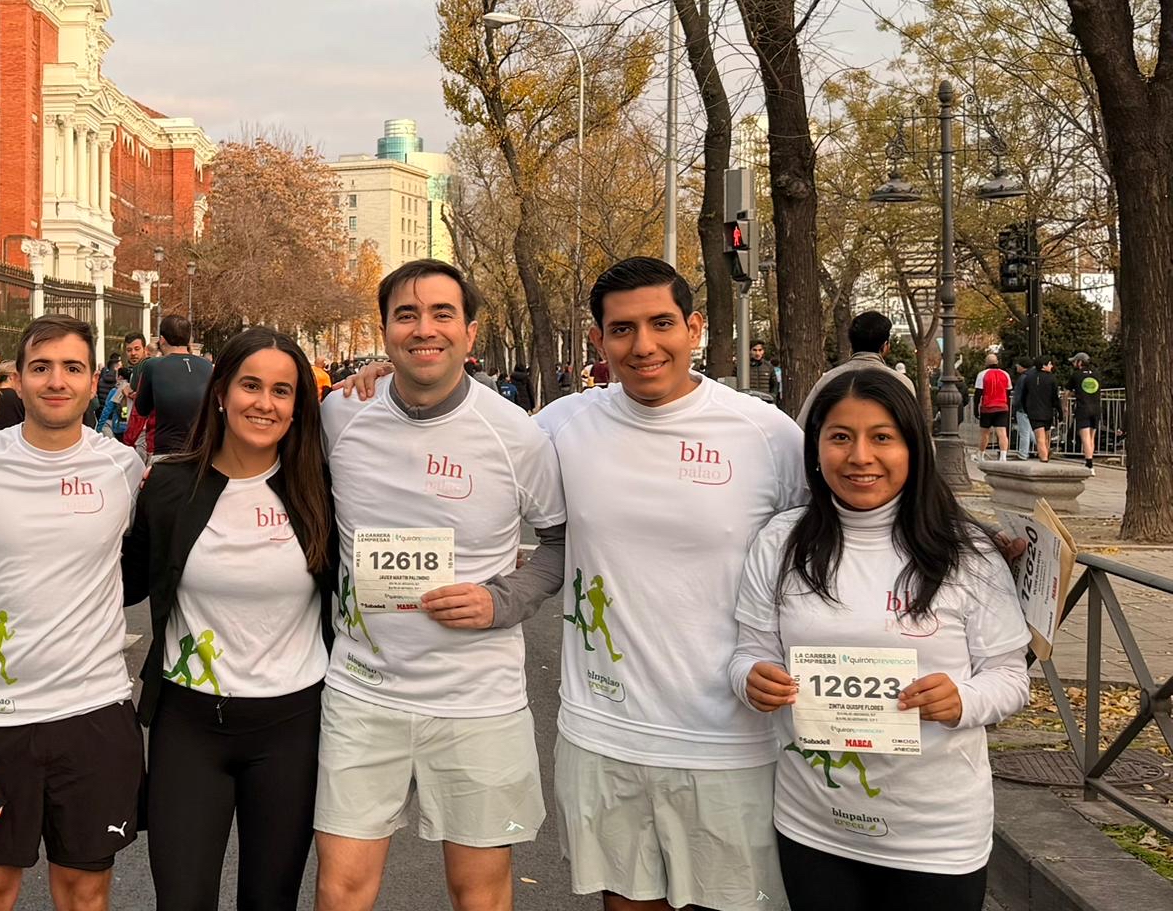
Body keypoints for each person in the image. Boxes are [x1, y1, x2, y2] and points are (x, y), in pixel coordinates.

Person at [537, 257, 805, 911]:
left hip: (731, 741)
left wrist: (974, 546)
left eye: (661, 324)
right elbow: (463, 441)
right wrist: (378, 384)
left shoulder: (768, 435)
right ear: (598, 340)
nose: (644, 345)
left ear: (695, 328)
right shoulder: (560, 427)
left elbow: (841, 539)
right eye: (622, 329)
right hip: (604, 734)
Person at [317, 259, 567, 911]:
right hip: (362, 695)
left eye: (441, 314)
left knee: (478, 893)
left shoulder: (517, 435)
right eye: (407, 315)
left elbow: (561, 542)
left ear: (470, 331)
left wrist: (502, 601)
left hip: (477, 702)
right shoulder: (342, 414)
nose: (424, 329)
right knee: (341, 890)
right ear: (385, 330)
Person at [732, 368, 1030, 910]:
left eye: (882, 437)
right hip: (814, 824)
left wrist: (962, 699)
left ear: (913, 447)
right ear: (815, 448)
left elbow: (1010, 677)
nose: (860, 456)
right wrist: (752, 679)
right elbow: (750, 652)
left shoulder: (968, 552)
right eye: (840, 437)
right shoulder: (781, 541)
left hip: (935, 836)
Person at [123, 325, 336, 910]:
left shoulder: (321, 489)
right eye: (250, 385)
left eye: (282, 391)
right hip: (188, 726)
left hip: (291, 728)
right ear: (220, 392)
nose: (264, 403)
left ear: (298, 405)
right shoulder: (169, 485)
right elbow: (119, 582)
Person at [0, 314, 144, 911]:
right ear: (17, 379)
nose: (57, 381)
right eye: (41, 367)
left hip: (94, 713)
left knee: (83, 895)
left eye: (72, 368)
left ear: (93, 380)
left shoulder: (123, 468)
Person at [794, 311, 913, 429]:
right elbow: (914, 430)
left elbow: (801, 428)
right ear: (885, 346)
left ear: (852, 345)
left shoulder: (828, 380)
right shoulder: (902, 383)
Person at [132, 315, 215, 457]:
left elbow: (142, 408)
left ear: (162, 339)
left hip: (167, 450)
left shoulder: (153, 365)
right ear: (188, 339)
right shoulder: (207, 366)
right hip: (200, 451)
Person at [1019, 356, 1061, 462]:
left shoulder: (1029, 378)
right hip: (1047, 411)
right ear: (1044, 366)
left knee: (1040, 438)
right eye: (1049, 364)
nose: (1051, 366)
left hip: (1034, 411)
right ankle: (1045, 457)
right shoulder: (1052, 378)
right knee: (1046, 437)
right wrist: (1059, 411)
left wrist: (1026, 409)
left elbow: (1023, 396)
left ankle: (1044, 458)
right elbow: (1055, 398)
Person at [975, 355, 1012, 460]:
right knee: (1002, 433)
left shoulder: (982, 374)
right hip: (1002, 407)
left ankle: (981, 454)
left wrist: (976, 409)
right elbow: (1008, 391)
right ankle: (1003, 456)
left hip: (987, 407)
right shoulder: (1005, 374)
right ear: (997, 362)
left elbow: (978, 393)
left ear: (986, 363)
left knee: (984, 433)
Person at [1070, 353, 1101, 472]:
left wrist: (1065, 404)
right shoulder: (1096, 374)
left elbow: (1068, 391)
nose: (1073, 364)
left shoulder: (1076, 375)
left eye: (1074, 361)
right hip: (1096, 408)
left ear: (1080, 362)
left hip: (1083, 408)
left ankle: (1089, 464)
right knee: (1092, 437)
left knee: (1085, 438)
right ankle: (1090, 460)